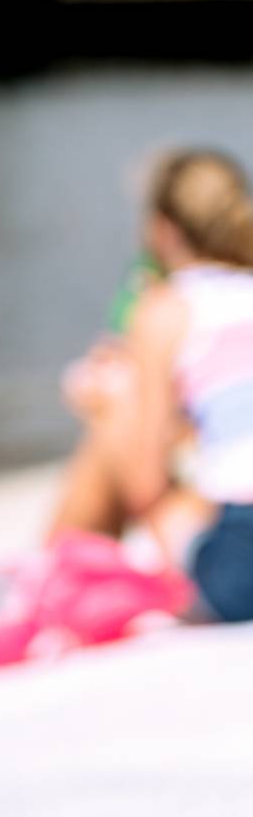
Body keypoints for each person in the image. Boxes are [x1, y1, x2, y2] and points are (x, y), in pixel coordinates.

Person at [46, 147, 253, 623]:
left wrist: (106, 405)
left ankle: (52, 575)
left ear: (163, 231)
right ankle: (54, 569)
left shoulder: (166, 309)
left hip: (242, 573)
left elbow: (145, 485)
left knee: (116, 408)